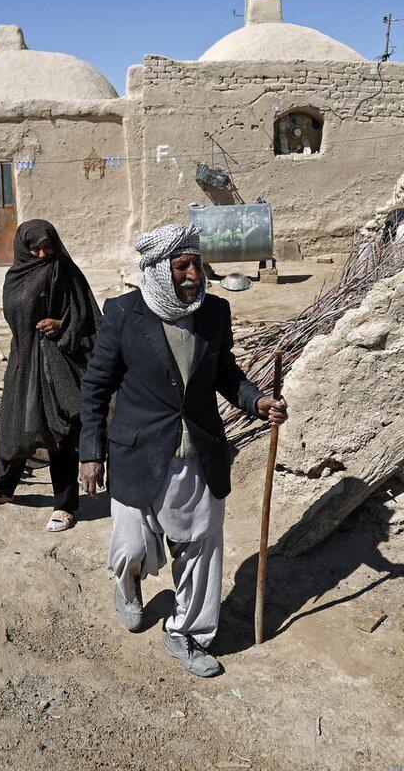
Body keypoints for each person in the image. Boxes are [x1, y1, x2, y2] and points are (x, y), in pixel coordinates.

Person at [79, 223, 288, 677]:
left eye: (196, 263)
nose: (194, 274)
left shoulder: (214, 313)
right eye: (182, 265)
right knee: (132, 545)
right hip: (136, 451)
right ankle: (129, 581)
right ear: (157, 270)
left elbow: (225, 374)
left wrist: (256, 401)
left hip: (197, 452)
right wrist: (91, 452)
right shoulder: (122, 313)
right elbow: (96, 386)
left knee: (201, 546)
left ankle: (187, 633)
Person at [0, 219, 100, 532]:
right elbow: (15, 316)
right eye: (35, 248)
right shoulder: (16, 275)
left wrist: (62, 325)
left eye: (47, 246)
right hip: (25, 359)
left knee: (60, 432)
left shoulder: (63, 271)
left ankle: (65, 506)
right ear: (23, 248)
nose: (42, 254)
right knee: (16, 427)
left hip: (59, 362)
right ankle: (3, 489)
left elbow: (88, 314)